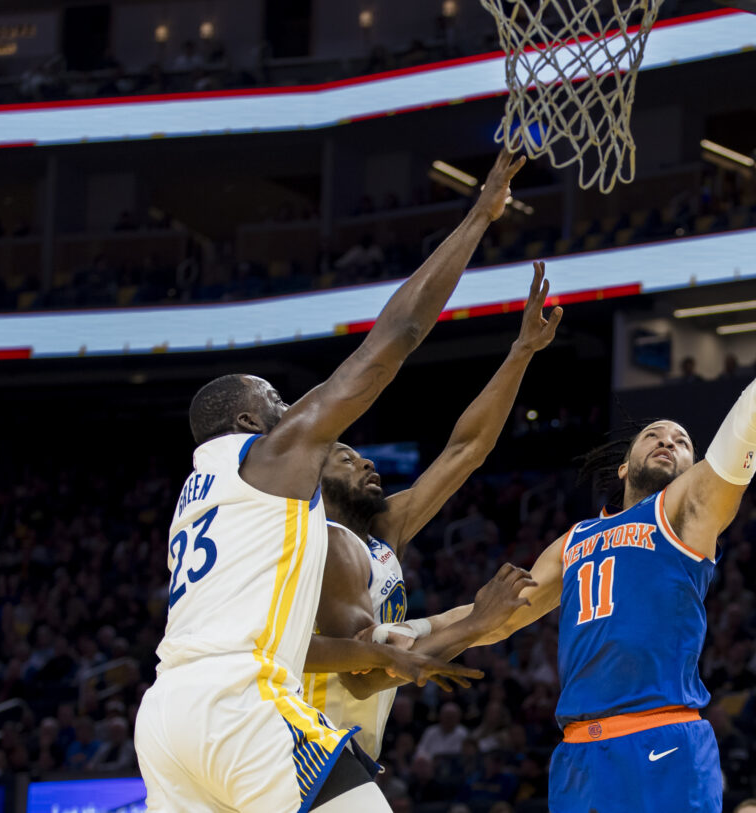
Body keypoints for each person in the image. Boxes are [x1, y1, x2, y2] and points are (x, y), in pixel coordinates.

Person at [134, 151, 529, 813]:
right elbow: (396, 334)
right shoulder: (267, 455)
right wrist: (478, 217)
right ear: (246, 418)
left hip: (165, 716)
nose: (291, 410)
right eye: (276, 398)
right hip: (239, 703)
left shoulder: (196, 494)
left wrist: (369, 653)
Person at [472, 228, 756, 812]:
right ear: (625, 465)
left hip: (663, 739)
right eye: (653, 436)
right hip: (579, 756)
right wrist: (410, 636)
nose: (668, 440)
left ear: (693, 464)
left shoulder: (685, 510)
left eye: (682, 440)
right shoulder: (575, 539)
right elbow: (497, 618)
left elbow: (755, 410)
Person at [301, 262, 561, 760]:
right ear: (315, 482)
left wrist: (520, 352)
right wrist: (475, 624)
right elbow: (361, 676)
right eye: (347, 458)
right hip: (306, 746)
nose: (367, 460)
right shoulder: (326, 542)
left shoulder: (380, 533)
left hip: (346, 748)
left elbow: (467, 449)